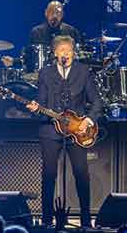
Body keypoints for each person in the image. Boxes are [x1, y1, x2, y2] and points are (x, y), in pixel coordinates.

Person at [26, 34, 101, 229]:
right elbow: (41, 101)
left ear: (74, 53)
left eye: (69, 51)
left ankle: (85, 220)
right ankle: (46, 220)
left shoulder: (83, 72)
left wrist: (88, 120)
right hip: (51, 130)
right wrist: (37, 108)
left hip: (77, 131)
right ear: (55, 53)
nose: (65, 54)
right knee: (49, 174)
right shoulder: (45, 73)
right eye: (62, 51)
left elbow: (97, 101)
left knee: (81, 173)